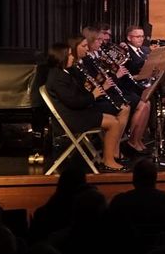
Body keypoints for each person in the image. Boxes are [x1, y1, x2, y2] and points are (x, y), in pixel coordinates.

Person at [46, 39, 129, 170]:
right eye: (69, 54)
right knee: (113, 123)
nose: (72, 56)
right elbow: (74, 102)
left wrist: (94, 86)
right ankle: (108, 161)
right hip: (72, 118)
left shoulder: (65, 72)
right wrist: (93, 95)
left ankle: (107, 158)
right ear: (61, 57)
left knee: (114, 119)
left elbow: (77, 94)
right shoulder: (57, 78)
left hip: (77, 113)